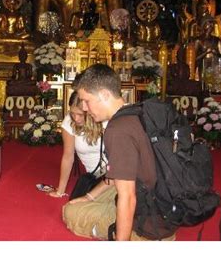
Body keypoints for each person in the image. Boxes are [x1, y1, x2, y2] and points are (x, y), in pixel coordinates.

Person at [63, 63, 176, 241]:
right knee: (85, 201)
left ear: (105, 95)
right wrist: (89, 196)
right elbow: (116, 177)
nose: (84, 108)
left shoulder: (117, 130)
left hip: (148, 223)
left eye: (87, 100)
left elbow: (128, 197)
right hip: (163, 206)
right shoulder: (138, 111)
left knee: (70, 211)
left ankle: (128, 236)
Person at [48, 90, 105, 198]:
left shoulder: (103, 119)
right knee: (72, 209)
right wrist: (60, 191)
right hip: (94, 177)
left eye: (80, 114)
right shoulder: (69, 122)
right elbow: (68, 157)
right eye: (72, 113)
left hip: (113, 174)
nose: (76, 118)